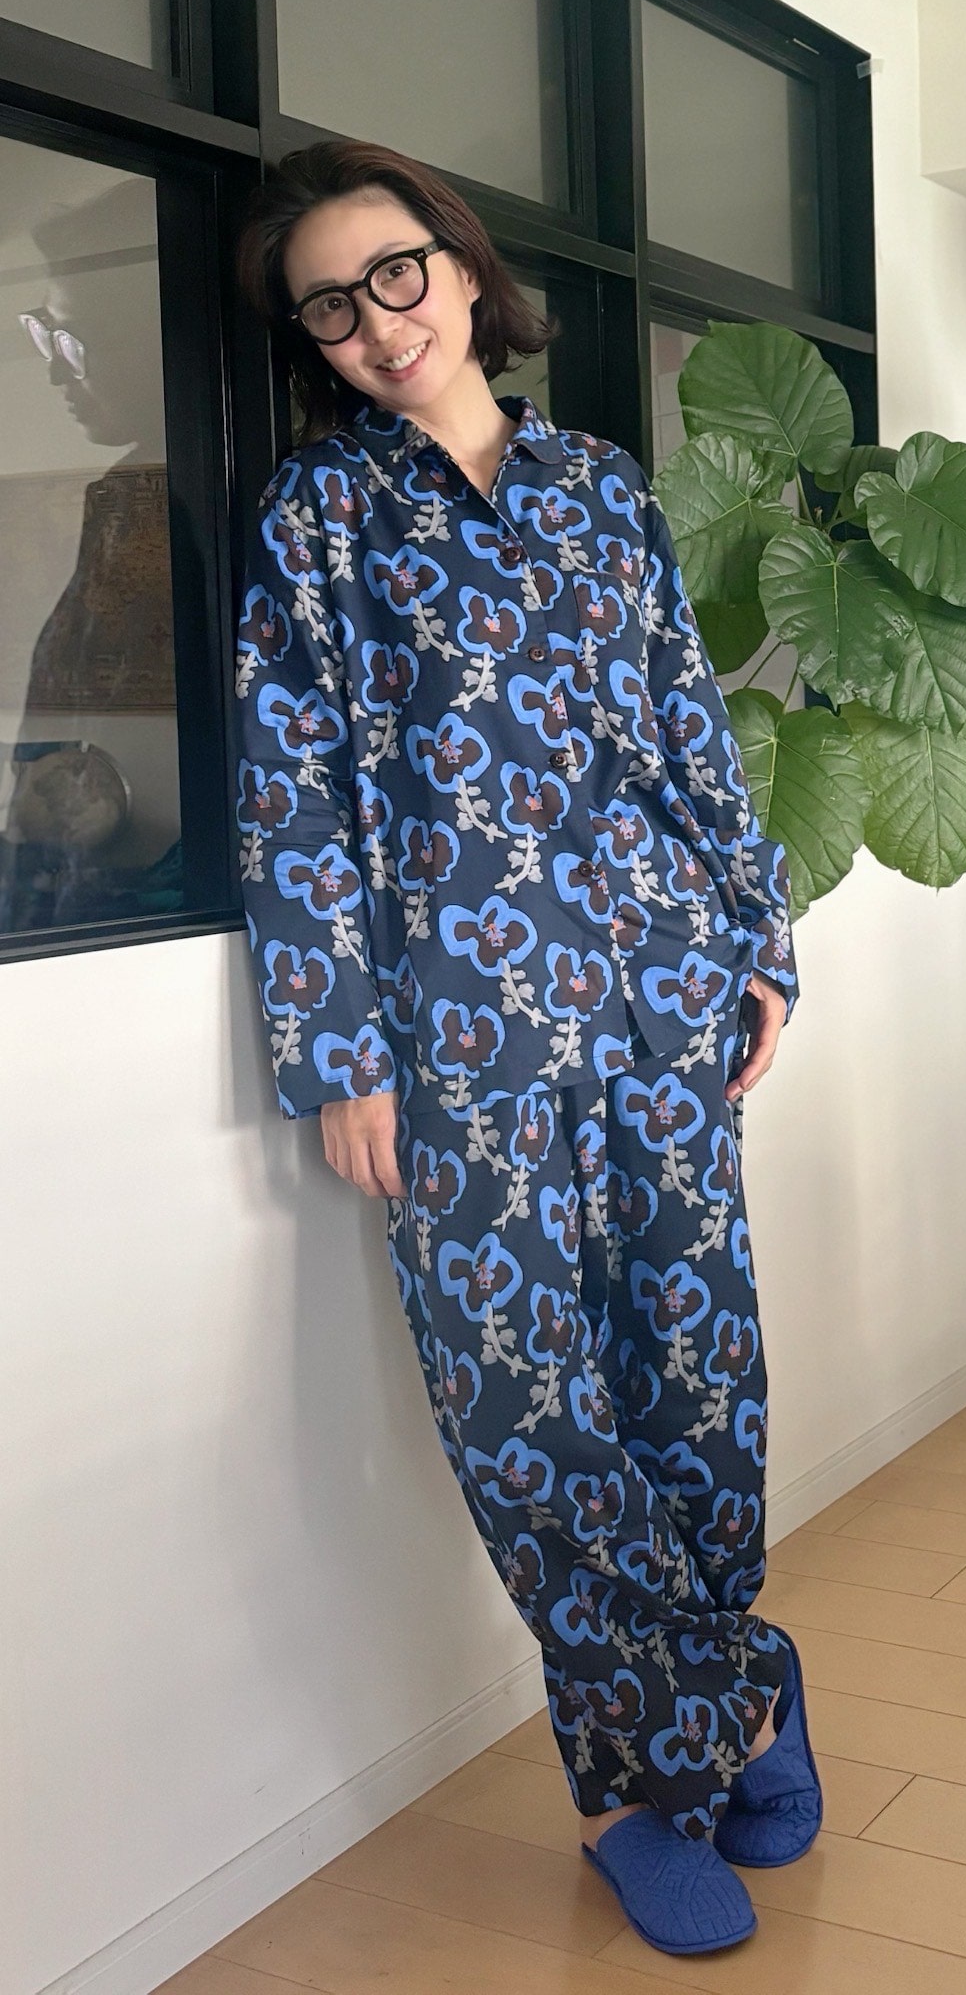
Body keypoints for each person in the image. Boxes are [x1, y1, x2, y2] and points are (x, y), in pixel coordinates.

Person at [233, 139, 821, 1958]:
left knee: (696, 1383)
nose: (372, 323)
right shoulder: (318, 523)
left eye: (393, 274)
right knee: (526, 1416)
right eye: (328, 308)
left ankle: (719, 1702)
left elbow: (685, 727)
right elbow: (291, 794)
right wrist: (339, 1050)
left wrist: (758, 940)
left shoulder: (601, 491)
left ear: (465, 270)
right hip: (459, 1042)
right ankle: (669, 1763)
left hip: (658, 1000)